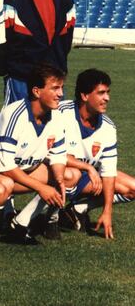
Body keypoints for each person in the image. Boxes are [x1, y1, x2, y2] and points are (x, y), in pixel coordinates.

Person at [0, 63, 79, 244]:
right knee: (5, 184)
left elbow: (58, 156)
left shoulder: (57, 116)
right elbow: (4, 167)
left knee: (70, 175)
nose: (61, 94)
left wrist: (59, 180)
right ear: (36, 92)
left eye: (61, 88)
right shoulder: (14, 116)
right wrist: (41, 188)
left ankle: (20, 224)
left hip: (22, 172)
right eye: (55, 88)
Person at [59, 69, 135, 239]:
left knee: (132, 188)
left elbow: (108, 172)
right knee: (71, 174)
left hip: (87, 177)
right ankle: (45, 217)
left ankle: (77, 209)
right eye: (101, 93)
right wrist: (88, 167)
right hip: (58, 173)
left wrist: (107, 210)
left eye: (107, 92)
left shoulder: (108, 127)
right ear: (84, 96)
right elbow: (50, 154)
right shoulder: (60, 113)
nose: (107, 98)